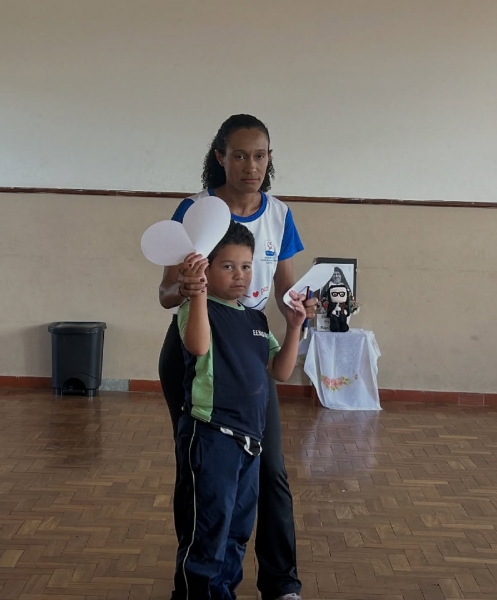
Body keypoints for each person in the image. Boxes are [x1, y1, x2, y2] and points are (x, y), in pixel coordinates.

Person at [158, 114, 315, 600]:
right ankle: (196, 576)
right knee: (201, 471)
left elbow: (285, 290)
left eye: (260, 155)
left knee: (270, 471)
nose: (251, 165)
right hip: (198, 343)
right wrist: (187, 288)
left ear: (270, 159)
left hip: (250, 343)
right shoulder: (195, 209)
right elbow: (166, 293)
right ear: (220, 157)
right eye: (241, 155)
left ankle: (281, 583)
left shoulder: (280, 214)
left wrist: (302, 311)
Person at [171, 221, 306, 600]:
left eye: (246, 266)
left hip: (250, 442)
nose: (240, 275)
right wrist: (198, 293)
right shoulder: (195, 309)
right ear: (206, 268)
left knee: (236, 532)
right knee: (208, 530)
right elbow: (198, 346)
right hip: (211, 437)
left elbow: (280, 371)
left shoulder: (255, 319)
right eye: (228, 266)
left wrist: (295, 327)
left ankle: (223, 593)